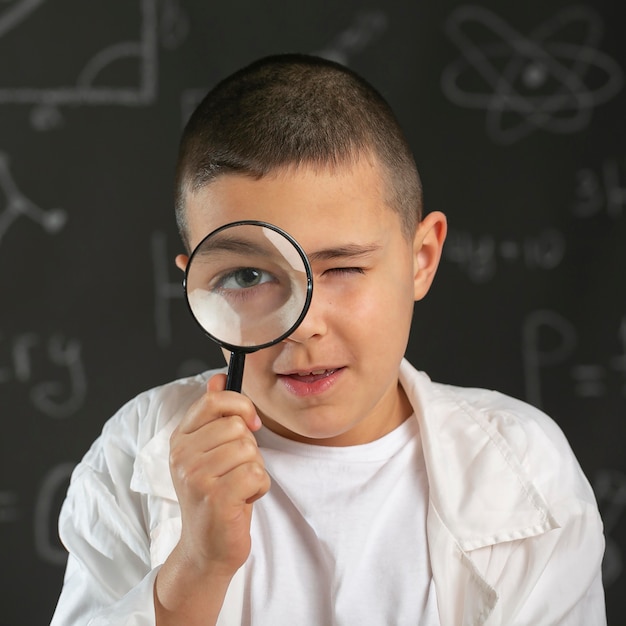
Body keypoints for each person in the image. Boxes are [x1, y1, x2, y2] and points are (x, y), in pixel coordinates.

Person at [50, 54, 606, 626]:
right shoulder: (132, 455)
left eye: (342, 269)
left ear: (421, 259)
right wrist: (195, 568)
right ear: (196, 284)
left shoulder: (525, 469)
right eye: (247, 277)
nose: (305, 324)